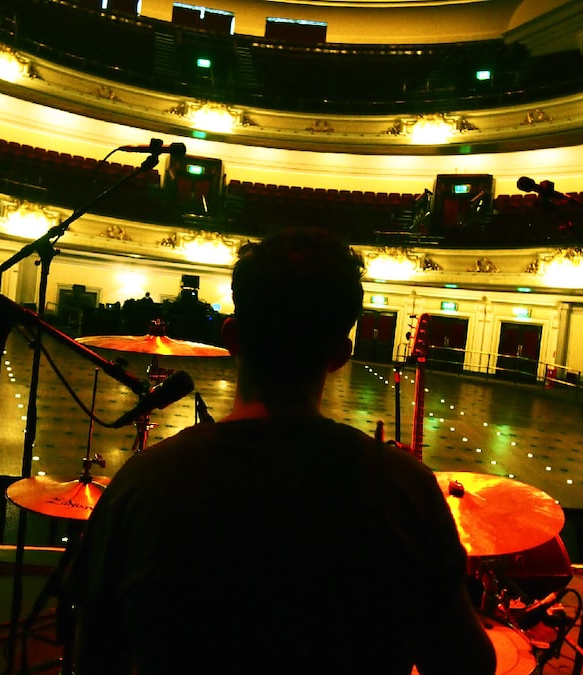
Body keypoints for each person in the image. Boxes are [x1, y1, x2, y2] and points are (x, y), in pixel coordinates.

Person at [70, 228, 496, 674]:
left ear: (231, 336)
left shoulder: (144, 480)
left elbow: (94, 656)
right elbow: (464, 661)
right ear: (340, 354)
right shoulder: (405, 487)